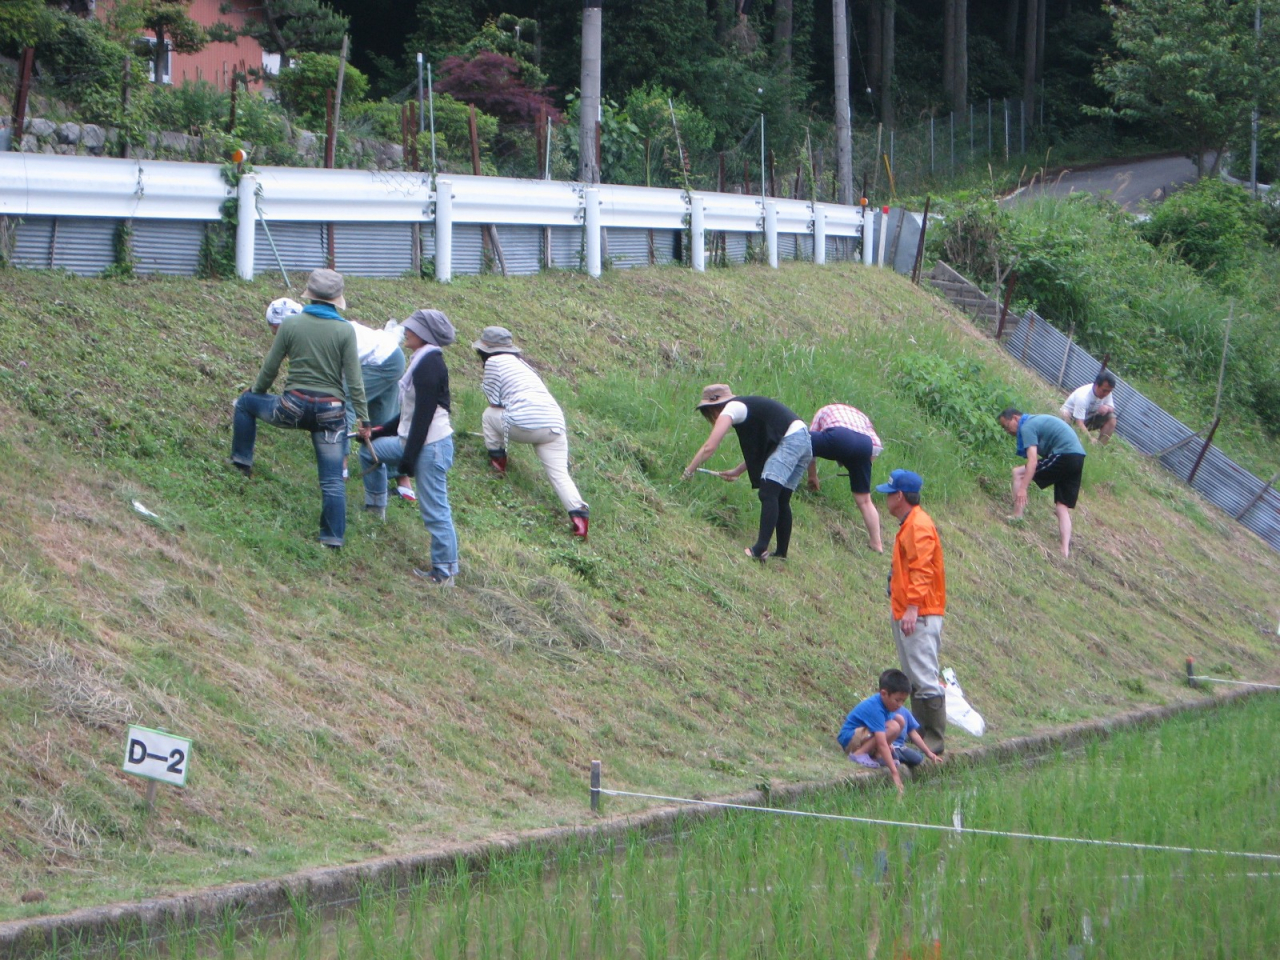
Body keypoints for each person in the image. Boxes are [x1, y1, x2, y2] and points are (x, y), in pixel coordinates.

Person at [230, 269, 369, 550]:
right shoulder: (345, 330)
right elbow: (354, 381)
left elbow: (270, 368)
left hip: (291, 406)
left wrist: (255, 390)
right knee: (332, 481)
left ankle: (241, 463)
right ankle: (332, 539)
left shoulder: (291, 324)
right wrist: (365, 420)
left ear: (310, 295)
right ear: (336, 300)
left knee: (245, 404)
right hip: (331, 414)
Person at [358, 309, 460, 585]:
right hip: (414, 441)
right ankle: (375, 509)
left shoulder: (429, 366)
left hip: (430, 447)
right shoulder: (421, 361)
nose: (407, 333)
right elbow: (408, 414)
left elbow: (424, 417)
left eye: (412, 329)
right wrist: (378, 431)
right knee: (370, 451)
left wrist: (407, 461)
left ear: (424, 335)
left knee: (435, 510)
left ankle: (445, 571)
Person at [474, 326, 590, 540]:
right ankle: (579, 517)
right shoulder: (522, 364)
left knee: (488, 415)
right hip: (555, 424)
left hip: (526, 424)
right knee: (559, 474)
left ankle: (497, 462)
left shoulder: (493, 362)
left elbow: (493, 400)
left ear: (485, 349)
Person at [682, 384, 813, 561]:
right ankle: (781, 553)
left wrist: (689, 471)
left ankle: (759, 549)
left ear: (714, 407)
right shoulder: (747, 409)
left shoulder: (731, 408)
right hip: (804, 440)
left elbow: (710, 446)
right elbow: (764, 449)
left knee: (768, 492)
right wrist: (738, 470)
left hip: (792, 439)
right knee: (781, 498)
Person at [876, 469, 947, 754]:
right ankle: (921, 738)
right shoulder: (911, 523)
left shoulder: (918, 525)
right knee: (915, 676)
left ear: (900, 496)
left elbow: (922, 568)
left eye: (889, 494)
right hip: (911, 611)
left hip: (918, 612)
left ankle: (933, 740)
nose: (886, 499)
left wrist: (913, 607)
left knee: (924, 677)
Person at [998, 407, 1087, 558]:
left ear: (1015, 418)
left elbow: (1032, 462)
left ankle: (1016, 516)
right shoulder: (1035, 420)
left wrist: (1023, 489)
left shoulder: (1027, 426)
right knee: (1062, 505)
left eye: (1007, 426)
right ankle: (1064, 551)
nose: (1008, 431)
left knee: (1018, 473)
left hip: (1065, 454)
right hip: (1078, 457)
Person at [806, 402, 885, 552]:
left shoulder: (823, 411)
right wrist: (857, 467)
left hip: (840, 436)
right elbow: (876, 447)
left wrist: (812, 476)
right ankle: (877, 544)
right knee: (865, 500)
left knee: (799, 437)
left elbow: (809, 448)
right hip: (864, 445)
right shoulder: (862, 417)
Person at [836, 669, 914, 795]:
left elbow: (885, 736)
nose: (900, 705)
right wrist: (895, 773)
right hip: (850, 738)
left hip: (864, 736)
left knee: (899, 720)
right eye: (897, 700)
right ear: (884, 694)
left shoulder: (886, 704)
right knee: (893, 726)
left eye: (903, 701)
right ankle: (859, 754)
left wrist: (889, 745)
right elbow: (882, 741)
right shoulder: (875, 708)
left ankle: (877, 755)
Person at [1060, 371, 1117, 445]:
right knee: (1064, 414)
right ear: (1096, 385)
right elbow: (1079, 422)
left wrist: (1107, 408)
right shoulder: (1083, 396)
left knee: (1112, 419)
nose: (1106, 394)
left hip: (1088, 419)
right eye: (1104, 390)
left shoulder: (1107, 393)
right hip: (1072, 419)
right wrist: (1090, 439)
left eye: (1109, 391)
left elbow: (1112, 408)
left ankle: (1099, 447)